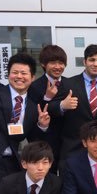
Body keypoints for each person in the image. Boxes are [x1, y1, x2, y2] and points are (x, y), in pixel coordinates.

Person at [0, 53, 50, 194]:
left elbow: (32, 138)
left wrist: (42, 126)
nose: (19, 76)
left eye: (24, 73)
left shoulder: (33, 106)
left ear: (32, 77)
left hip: (14, 164)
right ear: (8, 74)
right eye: (15, 72)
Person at [49, 44, 97, 165]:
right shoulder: (68, 83)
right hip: (73, 148)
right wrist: (62, 105)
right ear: (85, 61)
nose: (95, 64)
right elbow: (50, 108)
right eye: (91, 60)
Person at [28, 45, 69, 173]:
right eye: (53, 62)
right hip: (45, 143)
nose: (57, 67)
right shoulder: (34, 86)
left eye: (61, 63)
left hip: (67, 143)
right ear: (43, 64)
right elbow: (32, 115)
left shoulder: (71, 83)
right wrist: (47, 97)